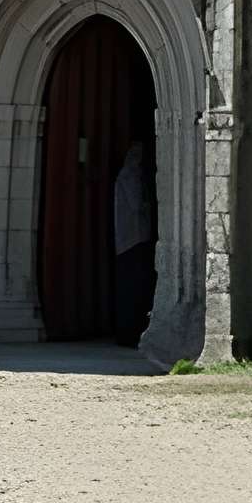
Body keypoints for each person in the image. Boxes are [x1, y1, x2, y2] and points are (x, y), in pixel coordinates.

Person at [112, 137, 154, 346]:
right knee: (132, 289)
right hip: (132, 239)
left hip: (133, 238)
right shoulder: (130, 177)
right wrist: (152, 205)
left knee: (134, 288)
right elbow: (138, 206)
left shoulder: (131, 176)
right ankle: (128, 333)